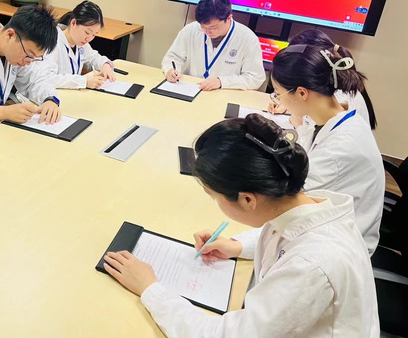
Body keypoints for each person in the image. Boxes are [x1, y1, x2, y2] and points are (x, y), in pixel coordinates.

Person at [104, 114, 379, 337]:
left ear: (248, 199)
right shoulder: (304, 205)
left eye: (214, 197)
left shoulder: (311, 265)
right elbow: (284, 230)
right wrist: (237, 246)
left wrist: (150, 288)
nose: (215, 203)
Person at [269, 43, 384, 254]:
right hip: (324, 222)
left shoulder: (338, 149)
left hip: (340, 247)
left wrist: (239, 245)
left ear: (302, 93)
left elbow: (290, 206)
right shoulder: (329, 117)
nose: (277, 100)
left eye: (277, 93)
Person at [268, 29, 377, 129]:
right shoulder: (331, 84)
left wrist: (296, 113)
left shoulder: (339, 97)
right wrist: (287, 103)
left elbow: (307, 129)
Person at [161, 0, 265, 91]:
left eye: (213, 27)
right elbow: (172, 57)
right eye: (203, 26)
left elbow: (255, 78)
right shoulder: (191, 30)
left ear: (229, 18)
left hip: (225, 94)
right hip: (191, 89)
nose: (207, 31)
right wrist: (171, 69)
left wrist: (221, 82)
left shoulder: (247, 38)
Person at [30, 0, 116, 89]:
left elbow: (94, 58)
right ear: (73, 23)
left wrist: (105, 65)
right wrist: (83, 81)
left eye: (94, 35)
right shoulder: (52, 41)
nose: (89, 38)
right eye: (87, 32)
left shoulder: (80, 42)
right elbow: (47, 78)